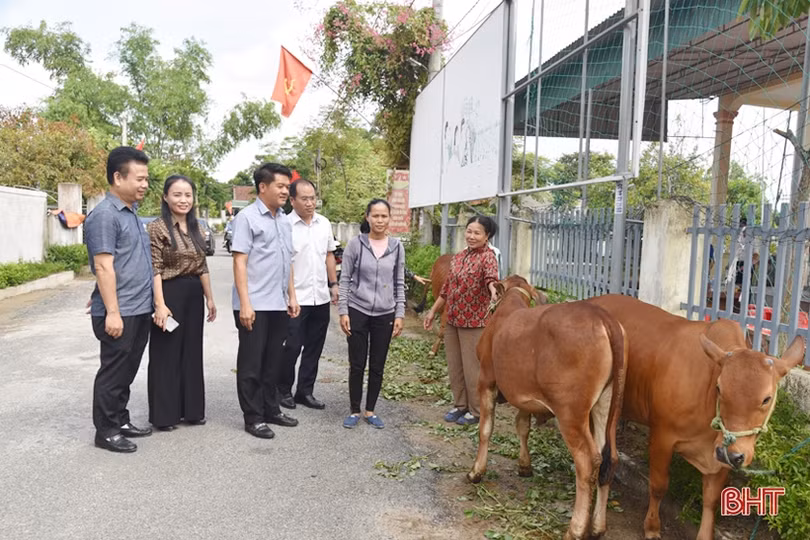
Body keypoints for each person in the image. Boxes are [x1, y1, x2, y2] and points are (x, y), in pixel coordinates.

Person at [85, 146, 153, 453]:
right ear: (117, 177)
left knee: (127, 370)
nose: (144, 184)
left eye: (146, 179)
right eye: (139, 178)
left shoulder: (132, 213)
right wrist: (111, 310)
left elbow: (128, 262)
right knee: (113, 373)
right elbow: (103, 265)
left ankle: (120, 419)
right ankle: (107, 430)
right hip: (120, 312)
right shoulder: (104, 216)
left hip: (138, 309)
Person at [231, 162, 300, 440]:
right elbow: (239, 262)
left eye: (287, 186)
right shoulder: (247, 218)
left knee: (273, 362)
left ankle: (271, 409)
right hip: (254, 305)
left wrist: (292, 296)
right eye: (280, 186)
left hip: (277, 304)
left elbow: (288, 260)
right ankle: (253, 417)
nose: (286, 191)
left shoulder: (284, 219)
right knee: (251, 364)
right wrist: (245, 304)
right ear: (263, 187)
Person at [147, 175, 217, 431]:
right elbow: (154, 268)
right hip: (168, 294)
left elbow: (202, 265)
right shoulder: (157, 228)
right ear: (165, 197)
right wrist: (159, 304)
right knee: (166, 354)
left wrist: (209, 298)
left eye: (188, 195)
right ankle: (165, 416)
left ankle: (192, 411)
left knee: (191, 352)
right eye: (177, 194)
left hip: (193, 295)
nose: (183, 200)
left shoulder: (196, 226)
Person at [423, 215, 500, 426]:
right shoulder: (459, 257)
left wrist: (494, 290)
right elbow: (446, 290)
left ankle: (476, 411)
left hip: (474, 323)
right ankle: (460, 405)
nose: (471, 236)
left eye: (477, 233)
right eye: (469, 231)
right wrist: (432, 311)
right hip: (453, 320)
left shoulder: (488, 257)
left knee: (472, 368)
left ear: (487, 236)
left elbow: (491, 279)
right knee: (455, 366)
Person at [338, 199, 405, 429]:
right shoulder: (356, 245)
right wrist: (343, 311)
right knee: (357, 363)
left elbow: (399, 282)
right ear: (367, 217)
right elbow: (344, 280)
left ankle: (370, 410)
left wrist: (400, 314)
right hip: (358, 310)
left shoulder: (396, 247)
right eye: (375, 215)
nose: (379, 220)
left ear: (389, 219)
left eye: (384, 216)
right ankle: (355, 410)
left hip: (385, 313)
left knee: (378, 364)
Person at [278, 179, 338, 411]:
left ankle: (305, 391)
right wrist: (288, 296)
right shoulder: (284, 225)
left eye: (313, 198)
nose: (310, 203)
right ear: (292, 200)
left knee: (314, 346)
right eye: (304, 199)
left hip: (320, 297)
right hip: (295, 298)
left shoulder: (324, 223)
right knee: (292, 345)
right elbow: (284, 262)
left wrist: (333, 284)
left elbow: (329, 255)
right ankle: (282, 390)